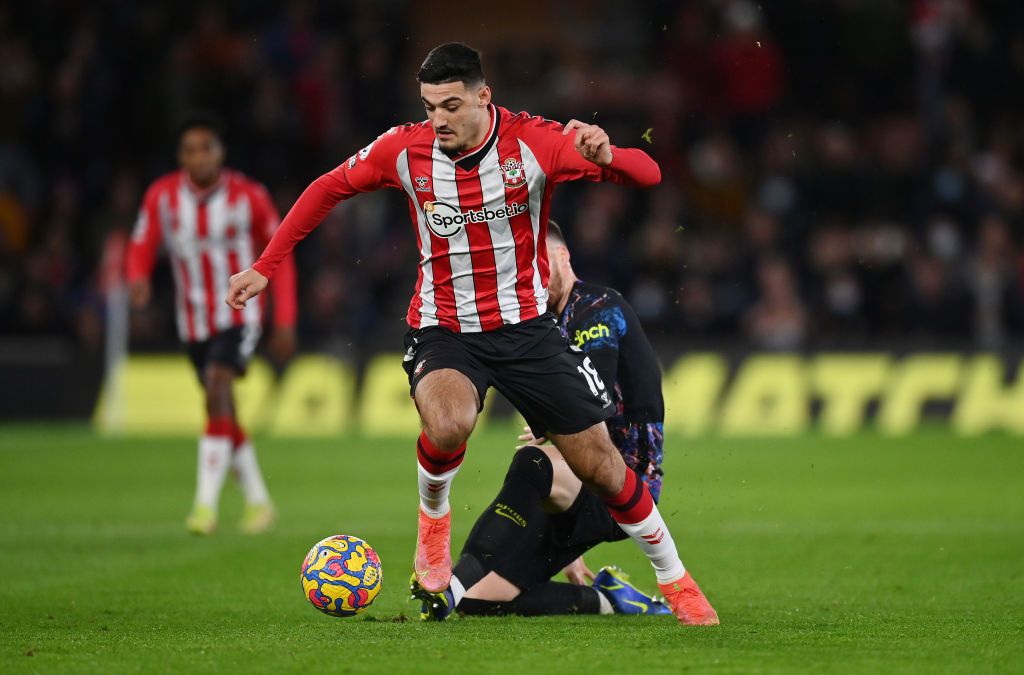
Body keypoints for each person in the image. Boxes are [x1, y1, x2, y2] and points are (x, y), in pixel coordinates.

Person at [226, 43, 717, 624]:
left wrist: (610, 152)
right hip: (444, 329)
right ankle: (432, 529)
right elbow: (327, 186)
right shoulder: (403, 150)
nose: (439, 120)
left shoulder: (534, 143)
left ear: (484, 97)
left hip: (528, 332)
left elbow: (650, 172)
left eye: (451, 105)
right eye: (430, 106)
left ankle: (676, 579)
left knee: (605, 468)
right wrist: (266, 265)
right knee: (450, 420)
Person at [412, 220, 684, 619]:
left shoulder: (598, 307)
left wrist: (555, 433)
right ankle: (612, 600)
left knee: (532, 462)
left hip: (624, 481)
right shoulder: (538, 328)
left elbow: (595, 406)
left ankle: (449, 583)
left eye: (541, 265)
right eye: (527, 269)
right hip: (570, 486)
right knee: (481, 602)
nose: (535, 278)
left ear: (562, 256)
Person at [127, 111, 297, 535]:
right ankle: (259, 503)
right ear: (180, 156)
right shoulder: (162, 197)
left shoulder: (250, 196)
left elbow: (282, 256)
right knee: (222, 410)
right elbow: (141, 244)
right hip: (193, 323)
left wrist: (285, 320)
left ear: (221, 153)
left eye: (207, 148)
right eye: (190, 150)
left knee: (218, 388)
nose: (199, 157)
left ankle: (204, 507)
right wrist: (137, 278)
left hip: (240, 314)